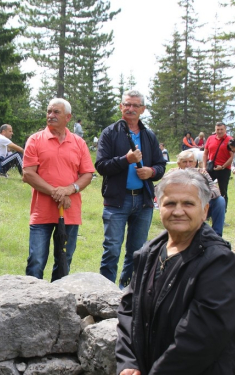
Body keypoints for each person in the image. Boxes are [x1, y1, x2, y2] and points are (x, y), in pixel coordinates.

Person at [116, 169, 235, 375]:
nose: (178, 211)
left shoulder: (218, 262)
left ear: (205, 210)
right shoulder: (149, 253)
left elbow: (202, 336)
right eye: (170, 203)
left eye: (188, 203)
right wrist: (128, 363)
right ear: (159, 206)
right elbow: (129, 309)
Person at [95, 90, 166, 289]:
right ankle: (105, 293)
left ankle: (129, 291)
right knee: (112, 249)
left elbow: (161, 165)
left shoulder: (149, 136)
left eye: (135, 106)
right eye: (127, 104)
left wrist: (151, 171)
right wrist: (126, 160)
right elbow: (101, 166)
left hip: (143, 202)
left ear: (142, 109)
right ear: (121, 107)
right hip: (117, 201)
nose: (130, 109)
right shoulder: (110, 133)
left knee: (137, 251)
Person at [23, 98, 94, 280]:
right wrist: (56, 192)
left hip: (70, 212)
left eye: (56, 112)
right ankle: (31, 302)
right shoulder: (35, 140)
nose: (51, 115)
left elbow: (87, 174)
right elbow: (28, 174)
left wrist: (70, 189)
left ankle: (58, 303)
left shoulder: (79, 143)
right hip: (42, 213)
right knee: (36, 260)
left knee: (64, 261)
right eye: (49, 111)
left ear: (68, 117)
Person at [174, 150, 225, 237]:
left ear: (195, 163)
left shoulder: (202, 172)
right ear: (179, 163)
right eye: (184, 162)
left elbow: (216, 191)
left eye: (190, 161)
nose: (188, 165)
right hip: (181, 207)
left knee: (220, 200)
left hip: (201, 205)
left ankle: (217, 236)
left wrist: (199, 196)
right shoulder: (173, 174)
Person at [203, 121, 233, 212]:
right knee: (206, 189)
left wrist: (223, 166)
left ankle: (222, 213)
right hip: (211, 168)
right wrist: (204, 167)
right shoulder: (210, 138)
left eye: (221, 129)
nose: (219, 131)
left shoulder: (230, 140)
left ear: (225, 130)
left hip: (224, 170)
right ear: (215, 130)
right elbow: (205, 153)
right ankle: (206, 212)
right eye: (217, 129)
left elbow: (232, 156)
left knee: (223, 191)